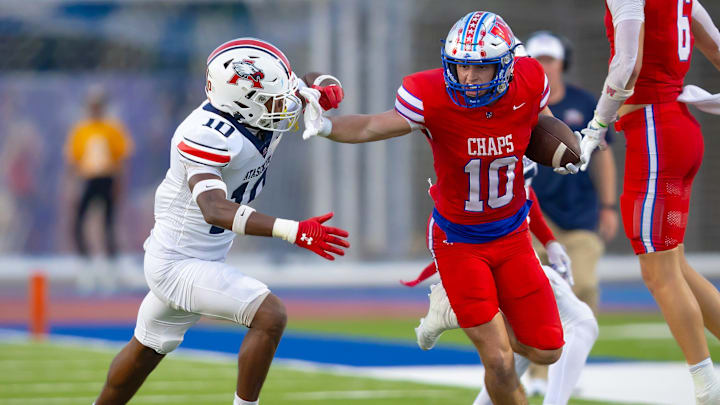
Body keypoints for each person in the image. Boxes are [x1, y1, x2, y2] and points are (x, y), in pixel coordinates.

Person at [302, 12, 580, 403]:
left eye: (479, 67)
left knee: (548, 350)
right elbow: (370, 126)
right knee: (498, 360)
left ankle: (456, 310)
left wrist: (564, 147)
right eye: (460, 65)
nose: (467, 76)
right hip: (458, 240)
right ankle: (468, 308)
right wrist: (327, 127)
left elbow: (541, 119)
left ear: (505, 65)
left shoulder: (530, 79)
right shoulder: (431, 95)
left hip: (513, 235)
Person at [93, 38, 349, 405]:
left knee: (145, 352)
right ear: (240, 102)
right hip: (178, 263)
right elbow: (214, 209)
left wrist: (324, 83)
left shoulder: (259, 104)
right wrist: (293, 231)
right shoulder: (204, 134)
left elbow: (303, 81)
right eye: (272, 101)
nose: (285, 107)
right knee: (270, 315)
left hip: (203, 257)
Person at [578, 1, 720, 403]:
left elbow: (627, 64)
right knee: (673, 264)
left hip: (656, 130)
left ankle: (707, 387)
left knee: (658, 271)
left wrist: (596, 124)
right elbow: (715, 47)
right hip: (678, 129)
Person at [407, 158, 598, 405]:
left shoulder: (506, 137)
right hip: (495, 249)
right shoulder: (482, 138)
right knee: (581, 323)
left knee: (505, 357)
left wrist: (549, 242)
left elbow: (524, 191)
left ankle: (455, 310)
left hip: (504, 248)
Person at [522, 31, 619, 396]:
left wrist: (608, 206)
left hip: (578, 215)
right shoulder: (519, 103)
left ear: (562, 62)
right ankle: (536, 372)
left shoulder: (584, 101)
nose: (545, 66)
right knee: (533, 292)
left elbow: (604, 154)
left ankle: (570, 366)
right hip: (532, 215)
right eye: (538, 60)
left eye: (550, 59)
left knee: (585, 286)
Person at [64, 88, 133, 258]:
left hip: (107, 177)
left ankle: (111, 255)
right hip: (88, 178)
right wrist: (71, 185)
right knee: (80, 218)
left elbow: (121, 159)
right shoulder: (81, 130)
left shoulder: (112, 129)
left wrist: (120, 182)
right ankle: (84, 255)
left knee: (108, 220)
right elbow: (73, 160)